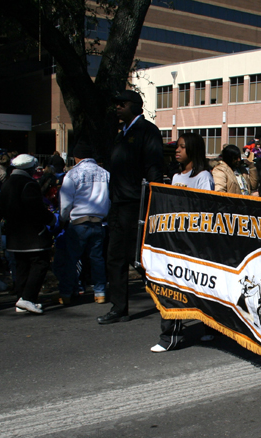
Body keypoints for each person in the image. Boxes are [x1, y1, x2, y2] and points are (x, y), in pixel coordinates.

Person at [98, 89, 164, 325]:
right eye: (116, 104)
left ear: (136, 106)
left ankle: (166, 297)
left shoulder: (147, 131)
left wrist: (149, 203)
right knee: (114, 256)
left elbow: (154, 169)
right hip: (117, 204)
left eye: (122, 104)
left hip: (136, 205)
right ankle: (119, 308)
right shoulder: (121, 134)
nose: (118, 107)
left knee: (140, 258)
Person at [151, 132, 214, 353]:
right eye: (177, 147)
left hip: (195, 244)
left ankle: (209, 328)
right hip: (175, 241)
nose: (177, 150)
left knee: (198, 288)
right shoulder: (177, 177)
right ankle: (170, 336)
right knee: (173, 288)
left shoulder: (204, 176)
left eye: (182, 147)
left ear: (193, 150)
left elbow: (207, 212)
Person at [0, 154, 55, 314]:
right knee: (40, 263)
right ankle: (28, 298)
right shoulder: (28, 184)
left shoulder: (7, 184)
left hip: (14, 234)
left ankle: (21, 298)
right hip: (32, 234)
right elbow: (36, 209)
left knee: (22, 265)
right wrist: (50, 219)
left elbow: (0, 208)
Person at [58, 140, 110, 306]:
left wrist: (63, 218)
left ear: (76, 157)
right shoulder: (105, 174)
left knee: (71, 259)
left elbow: (66, 201)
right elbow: (109, 199)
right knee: (97, 259)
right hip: (99, 221)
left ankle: (66, 292)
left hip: (79, 222)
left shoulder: (73, 174)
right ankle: (100, 292)